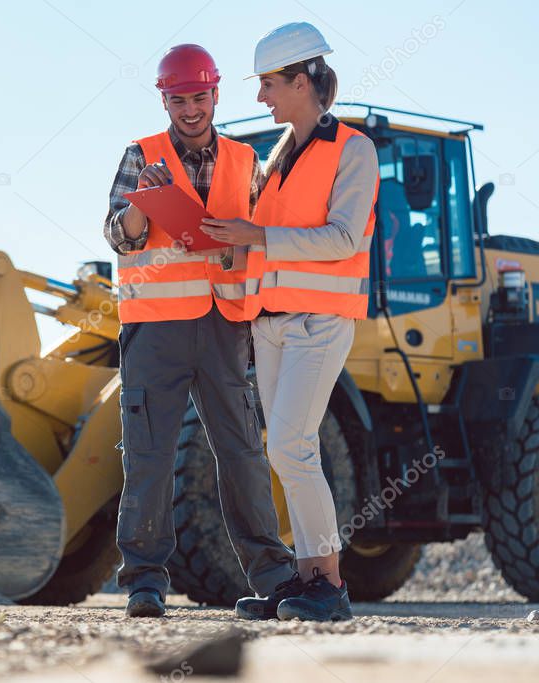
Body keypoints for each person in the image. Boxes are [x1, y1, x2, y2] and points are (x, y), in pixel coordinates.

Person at [105, 43, 297, 618]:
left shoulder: (245, 161)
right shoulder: (141, 154)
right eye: (179, 100)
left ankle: (274, 574)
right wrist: (146, 203)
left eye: (199, 97)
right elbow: (119, 234)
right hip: (155, 329)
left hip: (224, 327)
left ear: (216, 95)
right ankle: (144, 581)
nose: (191, 109)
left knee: (241, 453)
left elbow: (264, 233)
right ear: (165, 100)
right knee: (149, 454)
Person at [200, 22, 379, 622]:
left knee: (295, 447)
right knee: (283, 450)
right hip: (272, 325)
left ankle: (328, 582)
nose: (261, 98)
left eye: (269, 85)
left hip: (319, 323)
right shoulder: (277, 158)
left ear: (303, 81)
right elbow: (265, 245)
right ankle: (304, 578)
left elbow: (344, 236)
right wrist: (226, 240)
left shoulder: (353, 150)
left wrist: (258, 235)